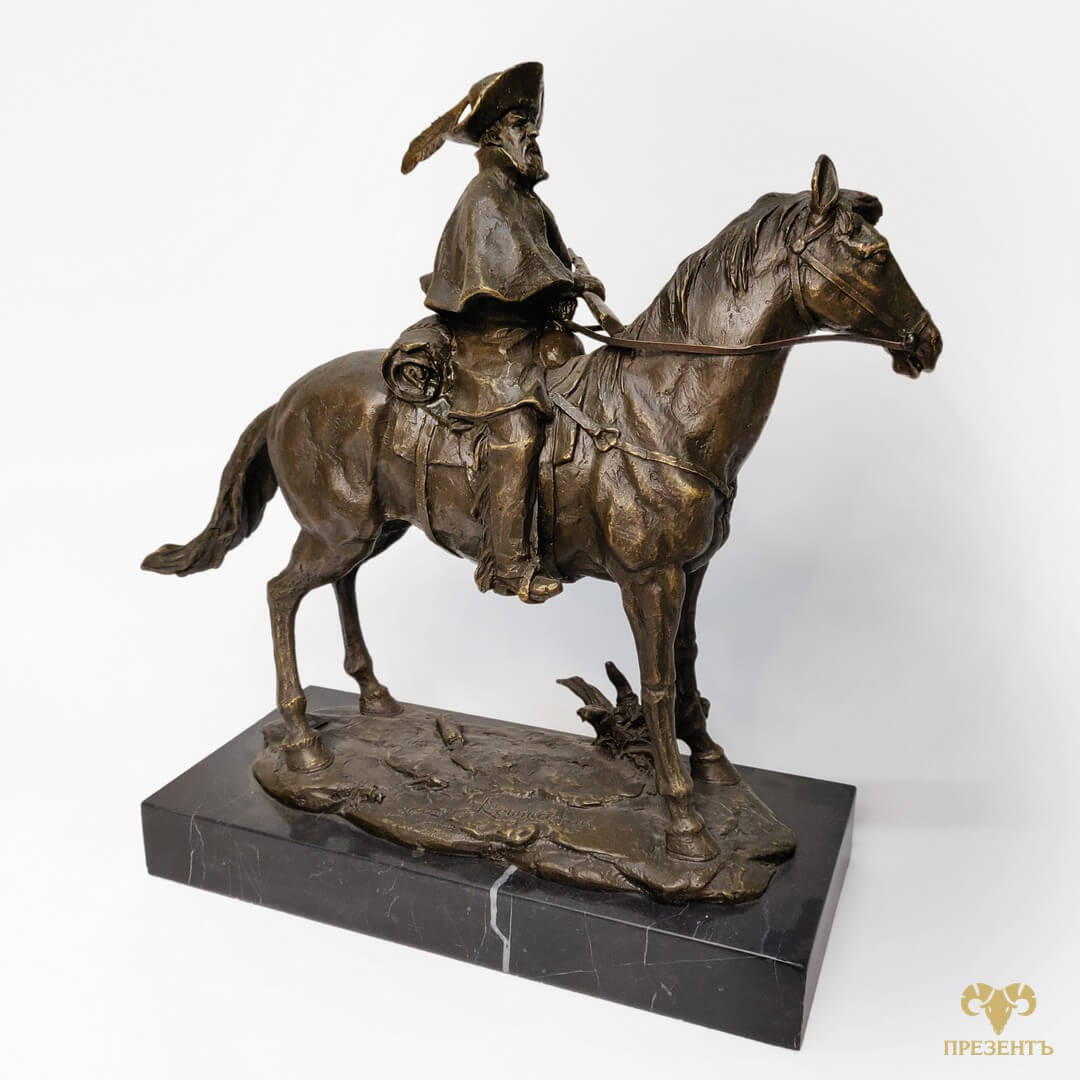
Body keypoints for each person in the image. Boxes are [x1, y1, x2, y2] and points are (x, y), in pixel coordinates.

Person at [399, 62, 605, 603]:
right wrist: (569, 285)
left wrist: (578, 280)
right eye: (520, 125)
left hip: (533, 340)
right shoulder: (486, 197)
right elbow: (511, 275)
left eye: (532, 126)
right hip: (491, 348)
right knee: (519, 430)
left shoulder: (528, 200)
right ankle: (510, 565)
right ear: (493, 137)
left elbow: (552, 260)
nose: (531, 135)